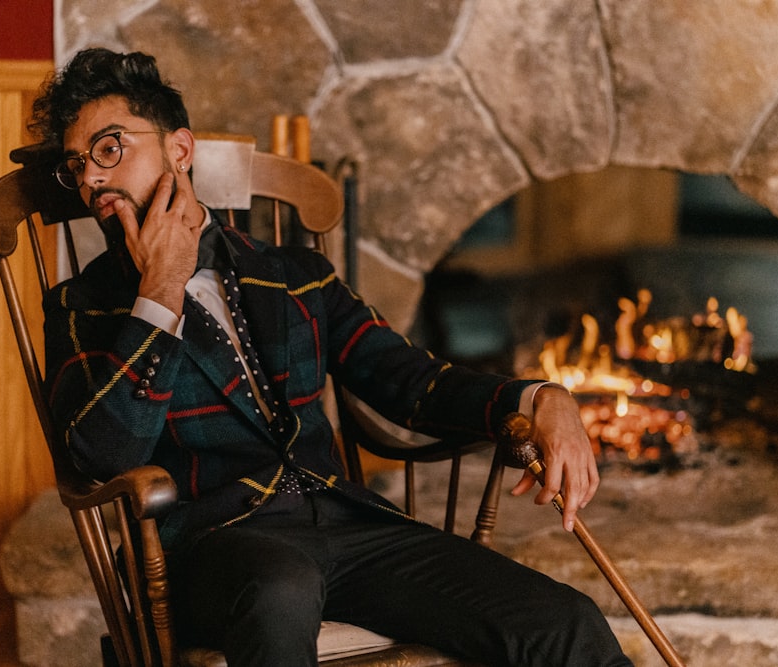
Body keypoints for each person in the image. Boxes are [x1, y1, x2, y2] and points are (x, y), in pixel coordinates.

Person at [34, 47, 632, 667]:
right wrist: (159, 291)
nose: (92, 180)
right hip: (215, 546)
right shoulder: (83, 307)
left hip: (349, 526)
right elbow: (103, 455)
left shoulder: (296, 276)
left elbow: (413, 384)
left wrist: (539, 398)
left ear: (179, 149)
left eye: (109, 149)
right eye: (77, 165)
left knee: (562, 622)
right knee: (280, 589)